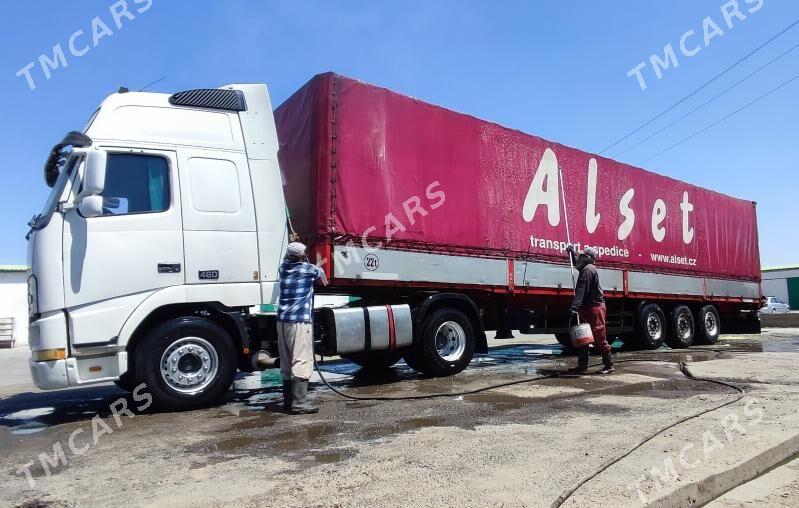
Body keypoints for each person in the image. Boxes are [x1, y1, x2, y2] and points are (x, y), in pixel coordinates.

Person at [277, 242, 328, 414]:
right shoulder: (308, 269)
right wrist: (319, 266)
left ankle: (288, 401)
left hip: (282, 321)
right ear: (301, 256)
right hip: (298, 321)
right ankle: (300, 403)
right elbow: (324, 280)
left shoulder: (283, 268)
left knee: (286, 360)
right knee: (301, 359)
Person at [566, 245, 614, 374]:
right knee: (583, 337)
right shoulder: (587, 268)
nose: (579, 257)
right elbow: (578, 266)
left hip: (594, 309)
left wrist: (575, 306)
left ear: (586, 258)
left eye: (581, 255)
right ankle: (582, 366)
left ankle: (609, 365)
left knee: (599, 338)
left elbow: (581, 290)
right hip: (589, 308)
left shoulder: (588, 270)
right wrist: (572, 254)